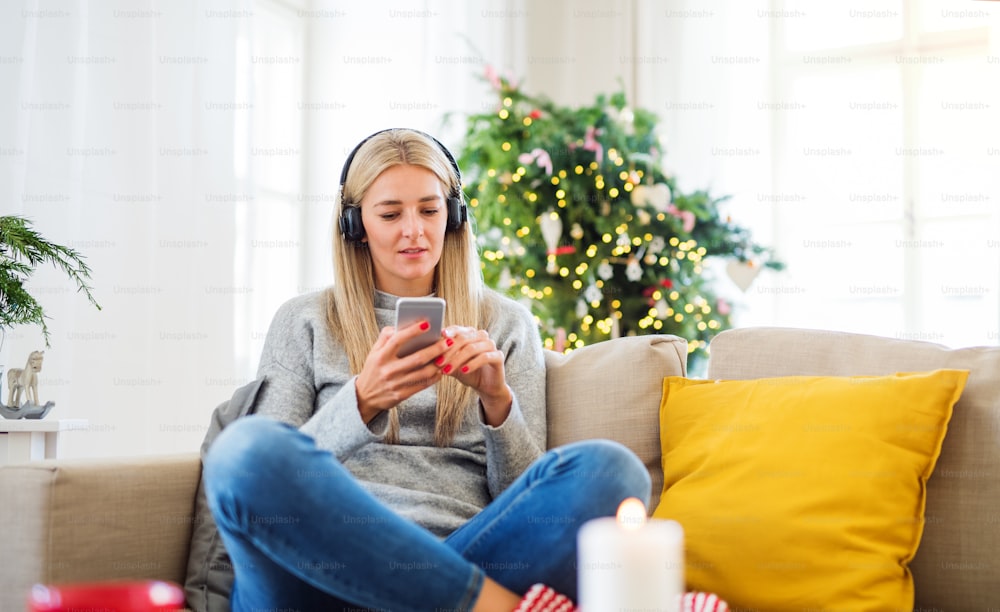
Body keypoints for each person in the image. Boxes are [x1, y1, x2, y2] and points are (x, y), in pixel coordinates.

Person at [203, 128, 651, 611]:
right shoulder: (305, 320)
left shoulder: (507, 325)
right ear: (355, 225)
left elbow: (521, 499)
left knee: (612, 470)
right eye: (391, 214)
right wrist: (363, 401)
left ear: (454, 217)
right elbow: (272, 485)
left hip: (466, 553)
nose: (414, 230)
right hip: (323, 579)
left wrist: (497, 404)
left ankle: (449, 596)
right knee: (244, 451)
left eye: (430, 210)